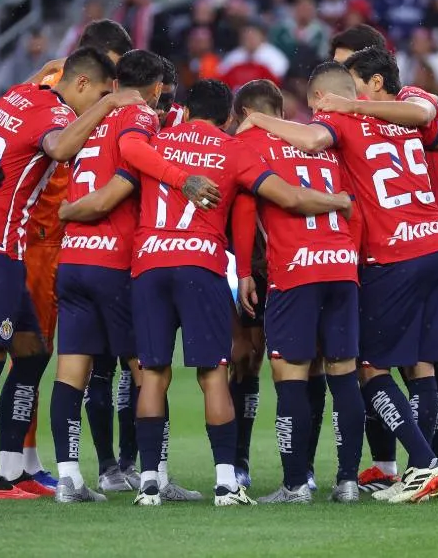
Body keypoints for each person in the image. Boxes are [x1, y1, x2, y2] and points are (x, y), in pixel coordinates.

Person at [98, 79, 349, 507]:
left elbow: (128, 160)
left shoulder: (155, 139)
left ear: (187, 109)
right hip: (201, 264)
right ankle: (226, 483)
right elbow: (281, 196)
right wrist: (337, 201)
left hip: (149, 263)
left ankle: (150, 484)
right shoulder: (233, 149)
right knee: (213, 373)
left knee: (152, 374)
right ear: (229, 117)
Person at [245, 61, 438, 503]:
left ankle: (425, 464)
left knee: (368, 368)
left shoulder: (337, 119)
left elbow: (311, 138)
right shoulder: (402, 116)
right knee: (423, 363)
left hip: (393, 254)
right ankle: (423, 470)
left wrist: (258, 119)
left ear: (317, 99)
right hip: (436, 247)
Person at [0, 47, 141, 499]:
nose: (97, 100)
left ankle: (15, 468)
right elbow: (58, 145)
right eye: (96, 92)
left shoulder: (20, 93)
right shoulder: (53, 113)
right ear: (79, 84)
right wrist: (110, 107)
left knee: (32, 353)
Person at [52, 50, 207, 503]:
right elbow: (119, 180)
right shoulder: (139, 116)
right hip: (114, 262)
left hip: (73, 261)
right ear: (157, 87)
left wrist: (67, 213)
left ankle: (68, 480)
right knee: (149, 372)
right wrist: (181, 178)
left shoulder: (91, 116)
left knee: (71, 374)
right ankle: (156, 475)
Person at [339, 47, 438, 498]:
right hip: (435, 241)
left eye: (348, 74)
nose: (344, 89)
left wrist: (351, 107)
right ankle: (413, 468)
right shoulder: (393, 114)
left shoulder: (404, 106)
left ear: (376, 80)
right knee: (421, 362)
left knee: (436, 368)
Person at [231, 79, 366, 504]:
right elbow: (354, 204)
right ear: (282, 114)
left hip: (295, 271)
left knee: (289, 376)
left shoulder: (250, 146)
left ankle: (294, 485)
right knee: (343, 375)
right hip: (342, 268)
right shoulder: (321, 143)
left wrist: (243, 271)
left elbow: (245, 207)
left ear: (242, 116)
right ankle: (346, 482)